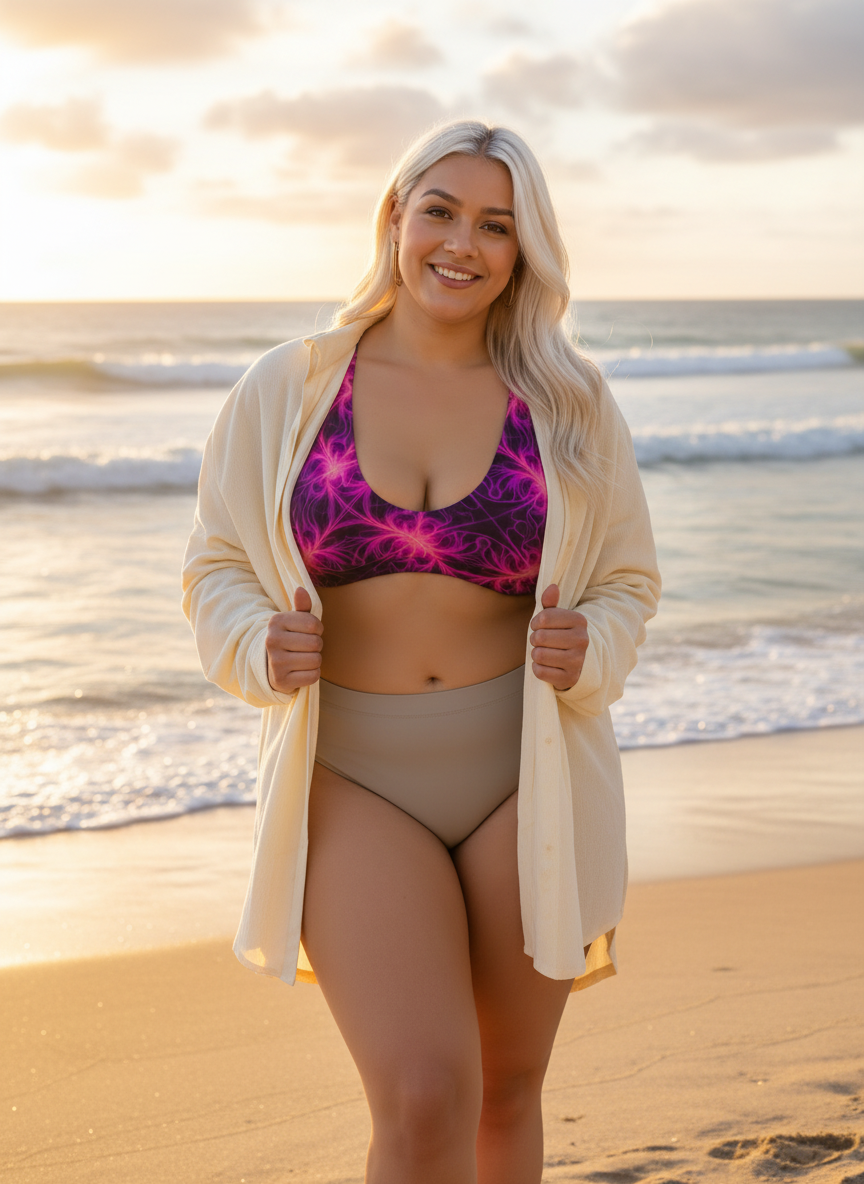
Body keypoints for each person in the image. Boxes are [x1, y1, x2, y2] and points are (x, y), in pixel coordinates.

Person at [182, 119, 660, 1184]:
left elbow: (629, 578)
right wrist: (256, 642)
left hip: (525, 770)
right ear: (395, 215)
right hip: (354, 774)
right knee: (422, 1089)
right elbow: (214, 562)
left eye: (498, 225)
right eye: (440, 210)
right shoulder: (289, 385)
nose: (463, 242)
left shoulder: (570, 400)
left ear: (524, 250)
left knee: (504, 1089)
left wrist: (594, 646)